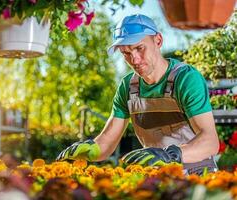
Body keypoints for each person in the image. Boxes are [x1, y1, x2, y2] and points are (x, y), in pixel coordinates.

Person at [56, 14, 219, 175]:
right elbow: (106, 143)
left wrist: (169, 155)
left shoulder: (186, 79)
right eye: (126, 53)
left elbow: (210, 142)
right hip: (157, 177)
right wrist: (91, 149)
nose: (134, 59)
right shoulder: (128, 87)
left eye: (139, 48)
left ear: (158, 41)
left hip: (198, 173)